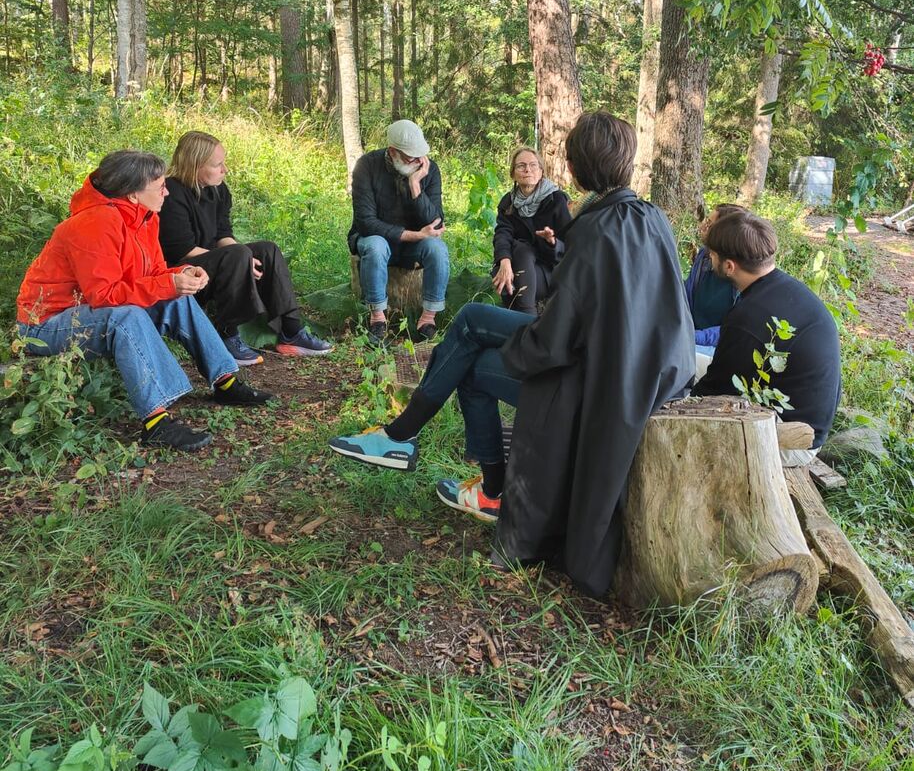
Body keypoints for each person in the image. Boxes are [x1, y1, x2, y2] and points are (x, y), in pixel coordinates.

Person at [330, 111, 696, 600]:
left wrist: (521, 345)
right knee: (473, 326)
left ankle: (422, 448)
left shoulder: (596, 228)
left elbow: (555, 342)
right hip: (631, 366)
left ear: (579, 163)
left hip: (591, 381)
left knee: (471, 352)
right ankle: (461, 473)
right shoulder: (649, 217)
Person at [16, 150, 273, 453]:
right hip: (44, 326)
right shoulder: (95, 223)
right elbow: (105, 296)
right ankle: (156, 424)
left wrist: (182, 275)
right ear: (133, 193)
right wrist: (168, 283)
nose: (167, 191)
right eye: (160, 186)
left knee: (177, 298)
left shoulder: (144, 217)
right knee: (127, 317)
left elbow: (153, 275)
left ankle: (226, 383)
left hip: (88, 313)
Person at [159, 132, 332, 366]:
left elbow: (223, 234)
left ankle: (291, 331)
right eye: (217, 165)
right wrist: (238, 260)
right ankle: (226, 333)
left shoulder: (218, 190)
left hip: (215, 262)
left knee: (266, 250)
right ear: (195, 165)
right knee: (238, 255)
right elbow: (182, 250)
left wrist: (245, 259)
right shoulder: (172, 193)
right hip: (183, 271)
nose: (225, 169)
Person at [692, 210, 841, 451]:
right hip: (806, 416)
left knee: (675, 391)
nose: (709, 258)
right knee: (682, 361)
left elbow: (711, 392)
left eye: (712, 255)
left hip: (789, 440)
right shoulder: (789, 290)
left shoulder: (748, 317)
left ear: (729, 266)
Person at [348, 119, 449, 346]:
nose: (416, 161)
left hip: (414, 246)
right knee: (375, 246)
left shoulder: (428, 170)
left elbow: (436, 222)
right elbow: (366, 223)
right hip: (377, 240)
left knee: (437, 248)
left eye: (419, 156)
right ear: (393, 152)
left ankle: (427, 320)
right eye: (409, 157)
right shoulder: (367, 166)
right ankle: (378, 319)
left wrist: (415, 185)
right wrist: (414, 235)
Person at [492, 147, 572, 314]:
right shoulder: (508, 202)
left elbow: (570, 245)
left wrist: (553, 243)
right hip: (518, 269)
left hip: (550, 271)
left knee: (521, 249)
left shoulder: (557, 199)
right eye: (521, 166)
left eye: (533, 165)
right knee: (520, 250)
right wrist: (504, 261)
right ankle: (526, 319)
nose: (528, 169)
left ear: (541, 171)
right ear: (513, 173)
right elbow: (502, 234)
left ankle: (526, 317)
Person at [684, 202, 743, 357]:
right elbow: (686, 296)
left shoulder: (742, 274)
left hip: (717, 348)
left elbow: (733, 329)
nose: (702, 226)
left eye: (709, 224)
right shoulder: (704, 256)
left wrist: (693, 337)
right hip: (689, 337)